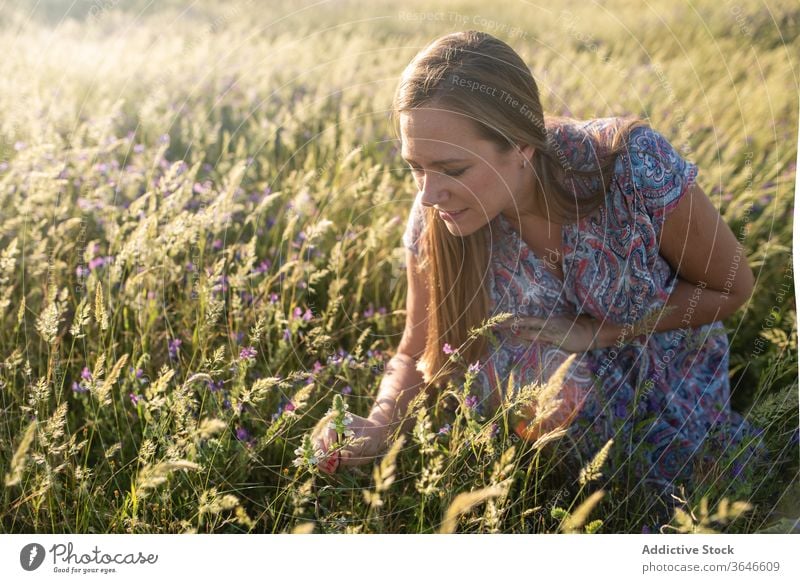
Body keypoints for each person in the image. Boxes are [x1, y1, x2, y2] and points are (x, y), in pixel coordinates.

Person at [311, 30, 768, 509]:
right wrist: (377, 424)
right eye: (415, 167)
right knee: (544, 378)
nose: (427, 194)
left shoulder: (632, 167)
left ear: (522, 146)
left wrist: (601, 332)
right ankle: (571, 494)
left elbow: (733, 289)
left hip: (669, 379)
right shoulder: (438, 212)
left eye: (453, 168)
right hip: (557, 407)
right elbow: (415, 348)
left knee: (695, 494)